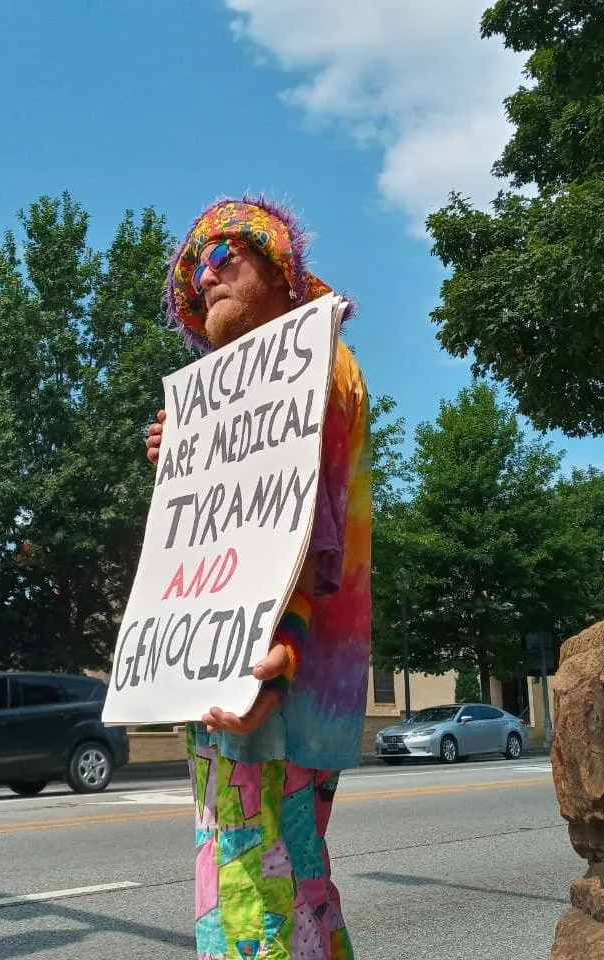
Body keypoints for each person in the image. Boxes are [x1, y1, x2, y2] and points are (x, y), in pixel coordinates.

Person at [147, 196, 371, 960]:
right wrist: (186, 457)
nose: (205, 281)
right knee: (297, 891)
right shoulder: (246, 387)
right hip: (246, 672)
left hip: (269, 674)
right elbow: (229, 531)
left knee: (250, 901)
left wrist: (286, 647)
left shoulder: (313, 363)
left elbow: (310, 520)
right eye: (192, 276)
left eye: (221, 259)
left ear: (279, 269)